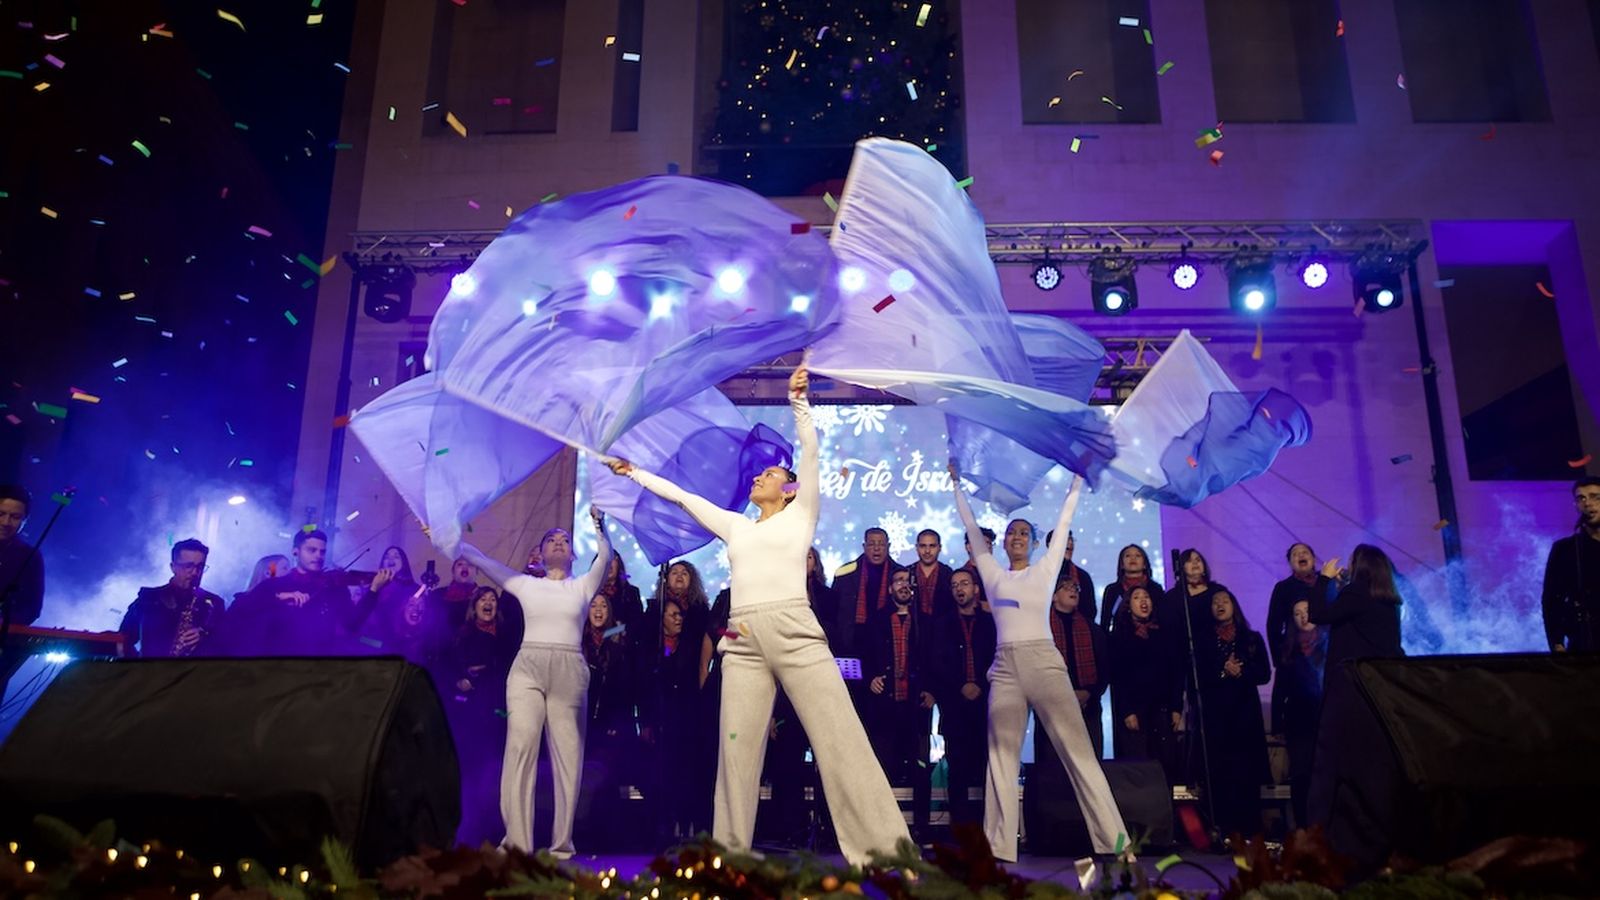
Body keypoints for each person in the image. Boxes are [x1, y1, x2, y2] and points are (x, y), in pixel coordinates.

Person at [606, 364, 909, 865]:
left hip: (794, 631)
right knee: (736, 754)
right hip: (742, 637)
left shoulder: (801, 513)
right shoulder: (737, 527)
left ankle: (888, 854)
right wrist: (633, 472)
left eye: (769, 474)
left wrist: (799, 404)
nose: (758, 477)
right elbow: (684, 498)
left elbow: (810, 454)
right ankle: (729, 859)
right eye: (759, 474)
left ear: (788, 488)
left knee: (841, 738)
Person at [951, 461, 1127, 862]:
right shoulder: (991, 573)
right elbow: (972, 528)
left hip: (1044, 663)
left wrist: (1077, 478)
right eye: (1011, 532)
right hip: (1005, 668)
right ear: (1003, 542)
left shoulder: (1046, 569)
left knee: (1079, 753)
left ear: (1033, 544)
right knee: (1001, 756)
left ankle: (1116, 843)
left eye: (1024, 533)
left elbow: (1064, 521)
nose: (1016, 537)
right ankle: (998, 849)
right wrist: (957, 485)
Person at [449, 508, 612, 858]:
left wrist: (599, 525)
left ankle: (562, 844)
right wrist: (446, 536)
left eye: (565, 539)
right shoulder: (527, 584)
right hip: (528, 668)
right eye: (552, 539)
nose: (559, 542)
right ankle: (517, 843)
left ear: (573, 554)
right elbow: (482, 560)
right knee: (520, 748)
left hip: (569, 669)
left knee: (568, 755)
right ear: (540, 553)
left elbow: (605, 557)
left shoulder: (583, 585)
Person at [1191, 589, 1271, 840]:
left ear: (1234, 605)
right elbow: (1198, 677)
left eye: (1225, 601)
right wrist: (1223, 671)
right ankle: (1224, 832)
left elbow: (1264, 673)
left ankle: (1251, 832)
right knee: (1221, 775)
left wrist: (1241, 671)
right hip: (1217, 718)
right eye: (1215, 602)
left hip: (1246, 718)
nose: (1220, 605)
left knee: (1247, 775)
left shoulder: (1251, 638)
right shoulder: (1202, 642)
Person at [441, 586, 517, 847]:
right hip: (473, 712)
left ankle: (498, 832)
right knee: (473, 772)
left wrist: (489, 672)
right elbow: (449, 666)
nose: (488, 603)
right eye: (483, 599)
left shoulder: (507, 635)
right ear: (474, 606)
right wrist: (460, 679)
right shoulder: (463, 635)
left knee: (497, 772)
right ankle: (469, 832)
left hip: (500, 709)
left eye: (492, 599)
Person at [865, 568, 935, 839]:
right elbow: (863, 655)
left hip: (915, 706)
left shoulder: (924, 621)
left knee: (920, 768)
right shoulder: (876, 620)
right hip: (885, 705)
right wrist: (870, 678)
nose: (904, 585)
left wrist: (931, 690)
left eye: (907, 581)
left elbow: (934, 659)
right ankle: (879, 828)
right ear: (890, 588)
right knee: (881, 766)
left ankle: (921, 827)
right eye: (898, 581)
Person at [933, 566, 997, 829]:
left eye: (965, 583)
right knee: (957, 772)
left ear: (976, 589)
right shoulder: (942, 625)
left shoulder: (991, 624)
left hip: (986, 707)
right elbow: (938, 664)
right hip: (955, 708)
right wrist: (961, 685)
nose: (959, 589)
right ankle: (960, 830)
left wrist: (980, 684)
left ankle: (989, 829)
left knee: (987, 771)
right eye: (955, 585)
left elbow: (998, 658)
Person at [226, 530, 353, 656]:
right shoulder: (273, 585)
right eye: (312, 550)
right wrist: (277, 596)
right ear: (296, 552)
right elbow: (243, 611)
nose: (318, 556)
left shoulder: (332, 588)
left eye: (322, 552)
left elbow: (350, 623)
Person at [1108, 585, 1183, 781]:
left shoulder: (1163, 633)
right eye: (1137, 597)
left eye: (1146, 597)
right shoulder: (1120, 637)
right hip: (1136, 711)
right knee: (1140, 766)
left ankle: (1170, 800)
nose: (1143, 601)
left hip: (1162, 709)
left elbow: (1176, 672)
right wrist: (1127, 711)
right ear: (1128, 605)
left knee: (1168, 764)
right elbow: (1118, 678)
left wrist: (1176, 707)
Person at [119, 538, 226, 657]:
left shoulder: (214, 603)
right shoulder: (148, 599)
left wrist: (205, 635)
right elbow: (123, 640)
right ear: (173, 567)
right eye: (188, 566)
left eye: (200, 567)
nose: (195, 573)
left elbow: (225, 644)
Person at [1266, 543, 1332, 731]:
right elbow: (1273, 625)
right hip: (1296, 651)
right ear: (1290, 563)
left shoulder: (1327, 582)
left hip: (1325, 649)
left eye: (1305, 552)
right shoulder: (1284, 588)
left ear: (1313, 558)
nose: (1300, 555)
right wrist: (1279, 658)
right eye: (1295, 554)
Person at [1309, 544, 1404, 670]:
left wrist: (1324, 578)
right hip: (1383, 670)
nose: (1347, 566)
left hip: (1358, 673)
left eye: (1350, 561)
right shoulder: (1388, 597)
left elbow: (1318, 615)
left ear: (1359, 566)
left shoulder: (1356, 593)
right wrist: (1343, 588)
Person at [1276, 599, 1327, 827]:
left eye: (1307, 610)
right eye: (1297, 613)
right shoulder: (1289, 649)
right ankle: (1302, 826)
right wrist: (1277, 723)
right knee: (1300, 774)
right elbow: (1280, 689)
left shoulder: (1330, 644)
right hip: (1298, 720)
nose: (1303, 616)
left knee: (1324, 773)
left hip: (1325, 718)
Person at [1046, 575, 1109, 758]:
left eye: (1075, 588)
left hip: (1088, 705)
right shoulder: (1042, 629)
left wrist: (1089, 692)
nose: (1073, 590)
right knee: (1053, 764)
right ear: (1053, 596)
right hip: (1051, 706)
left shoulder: (1092, 629)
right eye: (1066, 587)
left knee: (1090, 759)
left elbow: (1104, 667)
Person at [1541, 476, 1600, 653]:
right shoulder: (1565, 549)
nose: (1587, 503)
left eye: (1595, 497)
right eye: (1581, 498)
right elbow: (1552, 600)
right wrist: (1556, 642)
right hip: (1584, 643)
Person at [832, 527, 902, 661]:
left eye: (881, 544)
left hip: (886, 641)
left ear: (888, 546)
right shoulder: (846, 573)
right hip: (852, 640)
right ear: (864, 547)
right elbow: (833, 611)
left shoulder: (900, 574)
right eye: (871, 544)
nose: (876, 549)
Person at [1099, 544, 1153, 630]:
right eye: (1128, 556)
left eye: (1138, 555)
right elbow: (1105, 622)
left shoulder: (1155, 589)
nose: (1133, 558)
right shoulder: (1112, 590)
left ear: (1145, 565)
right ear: (1122, 565)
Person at [1048, 529, 1097, 622]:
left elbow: (1090, 611)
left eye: (1071, 539)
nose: (1070, 542)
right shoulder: (1040, 573)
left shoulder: (1083, 576)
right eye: (1065, 539)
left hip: (1078, 627)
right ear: (1050, 545)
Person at [910, 529, 956, 620]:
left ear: (940, 548)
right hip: (913, 627)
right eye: (923, 546)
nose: (927, 551)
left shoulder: (949, 575)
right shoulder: (907, 573)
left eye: (932, 546)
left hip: (944, 626)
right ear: (917, 548)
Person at [429, 556, 481, 632]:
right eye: (460, 564)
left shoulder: (484, 597)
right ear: (453, 571)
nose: (465, 567)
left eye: (470, 564)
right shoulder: (437, 596)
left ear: (477, 572)